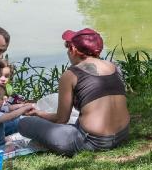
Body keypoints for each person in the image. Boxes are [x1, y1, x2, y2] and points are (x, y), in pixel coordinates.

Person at [19, 28, 130, 157]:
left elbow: (61, 119)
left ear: (73, 50)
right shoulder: (113, 67)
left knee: (24, 123)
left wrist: (39, 113)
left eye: (68, 48)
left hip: (92, 142)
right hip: (123, 135)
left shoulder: (71, 74)